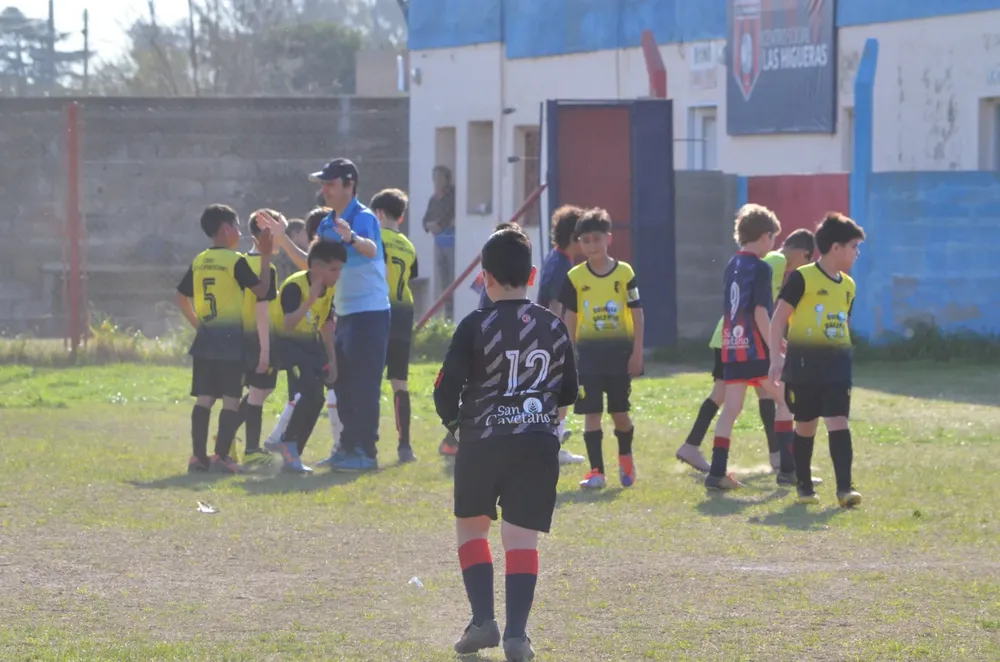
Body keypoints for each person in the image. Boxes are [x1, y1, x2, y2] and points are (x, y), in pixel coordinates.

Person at [434, 227, 578, 661]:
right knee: (521, 540)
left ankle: (483, 620)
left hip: (482, 440)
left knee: (473, 527)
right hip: (536, 443)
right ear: (533, 274)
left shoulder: (476, 324)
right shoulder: (553, 326)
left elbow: (445, 391)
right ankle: (517, 634)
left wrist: (457, 424)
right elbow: (569, 392)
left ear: (485, 277)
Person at [676, 228, 816, 474]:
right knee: (753, 396)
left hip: (732, 336)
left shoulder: (767, 261)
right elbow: (761, 309)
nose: (798, 270)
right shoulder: (775, 262)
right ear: (803, 253)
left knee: (752, 396)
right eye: (806, 262)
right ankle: (781, 461)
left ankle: (775, 458)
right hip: (742, 338)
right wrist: (773, 341)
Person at [769, 213, 865, 508]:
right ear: (836, 248)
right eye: (853, 246)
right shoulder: (802, 278)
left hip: (837, 369)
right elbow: (779, 318)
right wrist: (776, 357)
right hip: (802, 367)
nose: (857, 253)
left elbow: (844, 324)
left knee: (839, 421)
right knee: (806, 425)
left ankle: (845, 489)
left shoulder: (849, 285)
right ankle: (804, 486)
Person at [174, 204, 273, 474]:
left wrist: (199, 324)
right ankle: (221, 457)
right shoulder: (234, 260)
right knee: (231, 399)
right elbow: (262, 291)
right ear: (226, 229)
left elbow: (181, 297)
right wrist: (264, 257)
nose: (240, 232)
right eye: (238, 227)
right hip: (231, 342)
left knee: (204, 398)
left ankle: (197, 457)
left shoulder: (200, 259)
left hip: (206, 341)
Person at [702, 204, 793, 490]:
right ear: (765, 236)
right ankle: (788, 470)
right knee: (785, 400)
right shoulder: (761, 268)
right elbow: (759, 313)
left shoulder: (733, 264)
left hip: (732, 346)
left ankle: (717, 473)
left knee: (731, 409)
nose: (773, 245)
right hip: (754, 350)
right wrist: (775, 349)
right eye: (773, 239)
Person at [310, 158, 391, 472]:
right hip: (342, 312)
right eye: (324, 184)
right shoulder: (326, 224)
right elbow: (313, 263)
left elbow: (371, 249)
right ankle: (346, 446)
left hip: (370, 313)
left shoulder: (364, 217)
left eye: (330, 184)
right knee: (341, 383)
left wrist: (351, 238)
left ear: (349, 185)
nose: (325, 189)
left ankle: (366, 452)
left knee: (365, 383)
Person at [559, 208, 644, 490]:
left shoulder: (625, 273)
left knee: (619, 413)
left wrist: (637, 351)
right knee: (591, 413)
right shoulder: (575, 277)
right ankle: (596, 472)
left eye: (596, 239)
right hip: (587, 357)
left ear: (608, 238)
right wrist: (567, 354)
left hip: (619, 355)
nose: (591, 246)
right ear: (579, 243)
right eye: (585, 241)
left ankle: (625, 455)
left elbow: (637, 313)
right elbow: (569, 317)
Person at [272, 240, 345, 473]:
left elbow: (325, 324)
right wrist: (311, 299)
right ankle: (287, 443)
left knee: (318, 398)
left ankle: (292, 452)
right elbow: (289, 323)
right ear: (315, 267)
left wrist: (331, 358)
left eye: (340, 269)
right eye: (333, 269)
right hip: (286, 344)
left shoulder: (330, 288)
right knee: (309, 391)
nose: (338, 274)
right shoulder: (295, 286)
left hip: (310, 345)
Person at [372, 188, 419, 463]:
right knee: (399, 382)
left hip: (378, 311)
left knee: (370, 380)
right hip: (404, 313)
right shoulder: (408, 245)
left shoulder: (374, 238)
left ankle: (369, 443)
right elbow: (410, 277)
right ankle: (405, 446)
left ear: (378, 214)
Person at [236, 209, 281, 463]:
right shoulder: (266, 268)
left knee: (263, 390)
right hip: (260, 338)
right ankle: (251, 449)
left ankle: (228, 434)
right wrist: (265, 351)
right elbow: (261, 310)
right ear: (258, 238)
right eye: (273, 235)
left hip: (246, 336)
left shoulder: (241, 262)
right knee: (257, 392)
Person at [423, 165, 456, 319]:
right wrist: (429, 226)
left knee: (452, 278)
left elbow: (450, 215)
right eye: (434, 178)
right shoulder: (433, 199)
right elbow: (425, 220)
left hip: (451, 243)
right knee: (443, 279)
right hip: (439, 244)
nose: (436, 181)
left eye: (439, 178)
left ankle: (453, 312)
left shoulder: (452, 196)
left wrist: (439, 225)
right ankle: (446, 313)